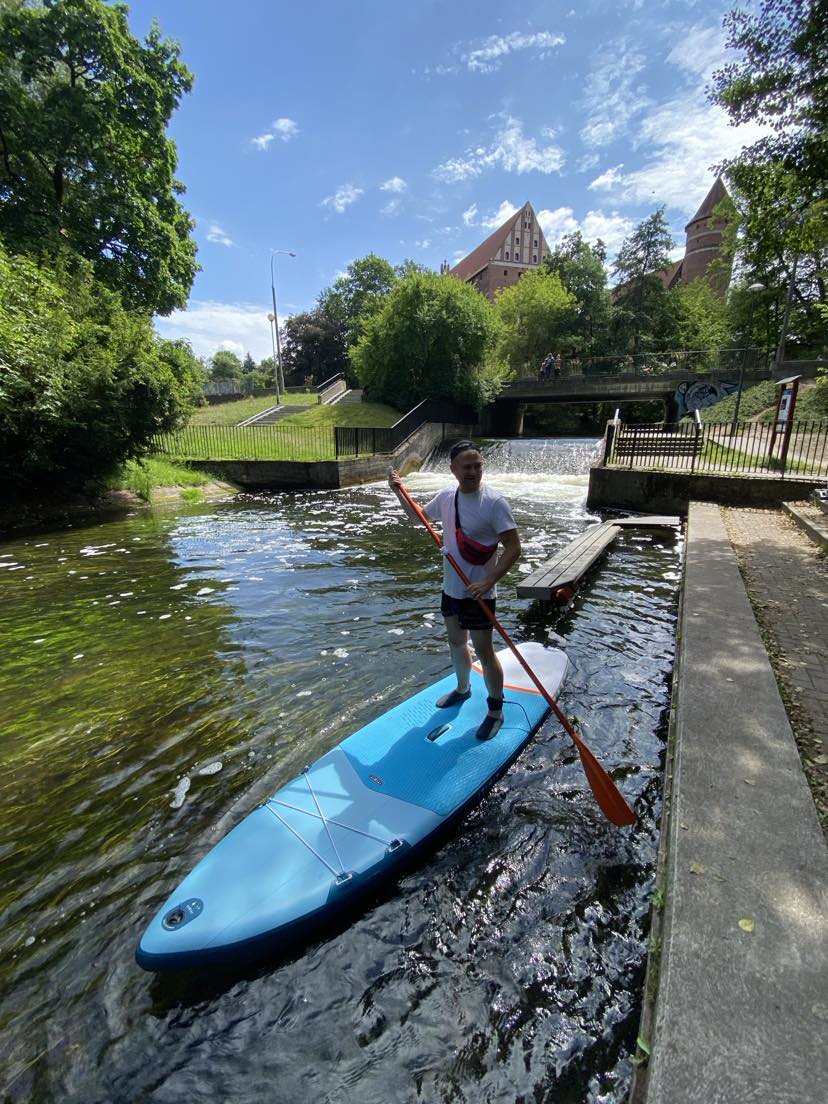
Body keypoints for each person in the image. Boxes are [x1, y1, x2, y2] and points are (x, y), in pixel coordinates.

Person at [388, 442, 521, 741]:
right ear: (453, 469)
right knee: (456, 643)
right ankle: (462, 689)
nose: (473, 472)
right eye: (466, 466)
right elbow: (418, 516)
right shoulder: (448, 496)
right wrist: (399, 491)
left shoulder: (495, 503)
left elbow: (514, 548)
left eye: (477, 466)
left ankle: (495, 710)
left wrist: (489, 582)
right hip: (452, 589)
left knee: (485, 653)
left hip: (480, 594)